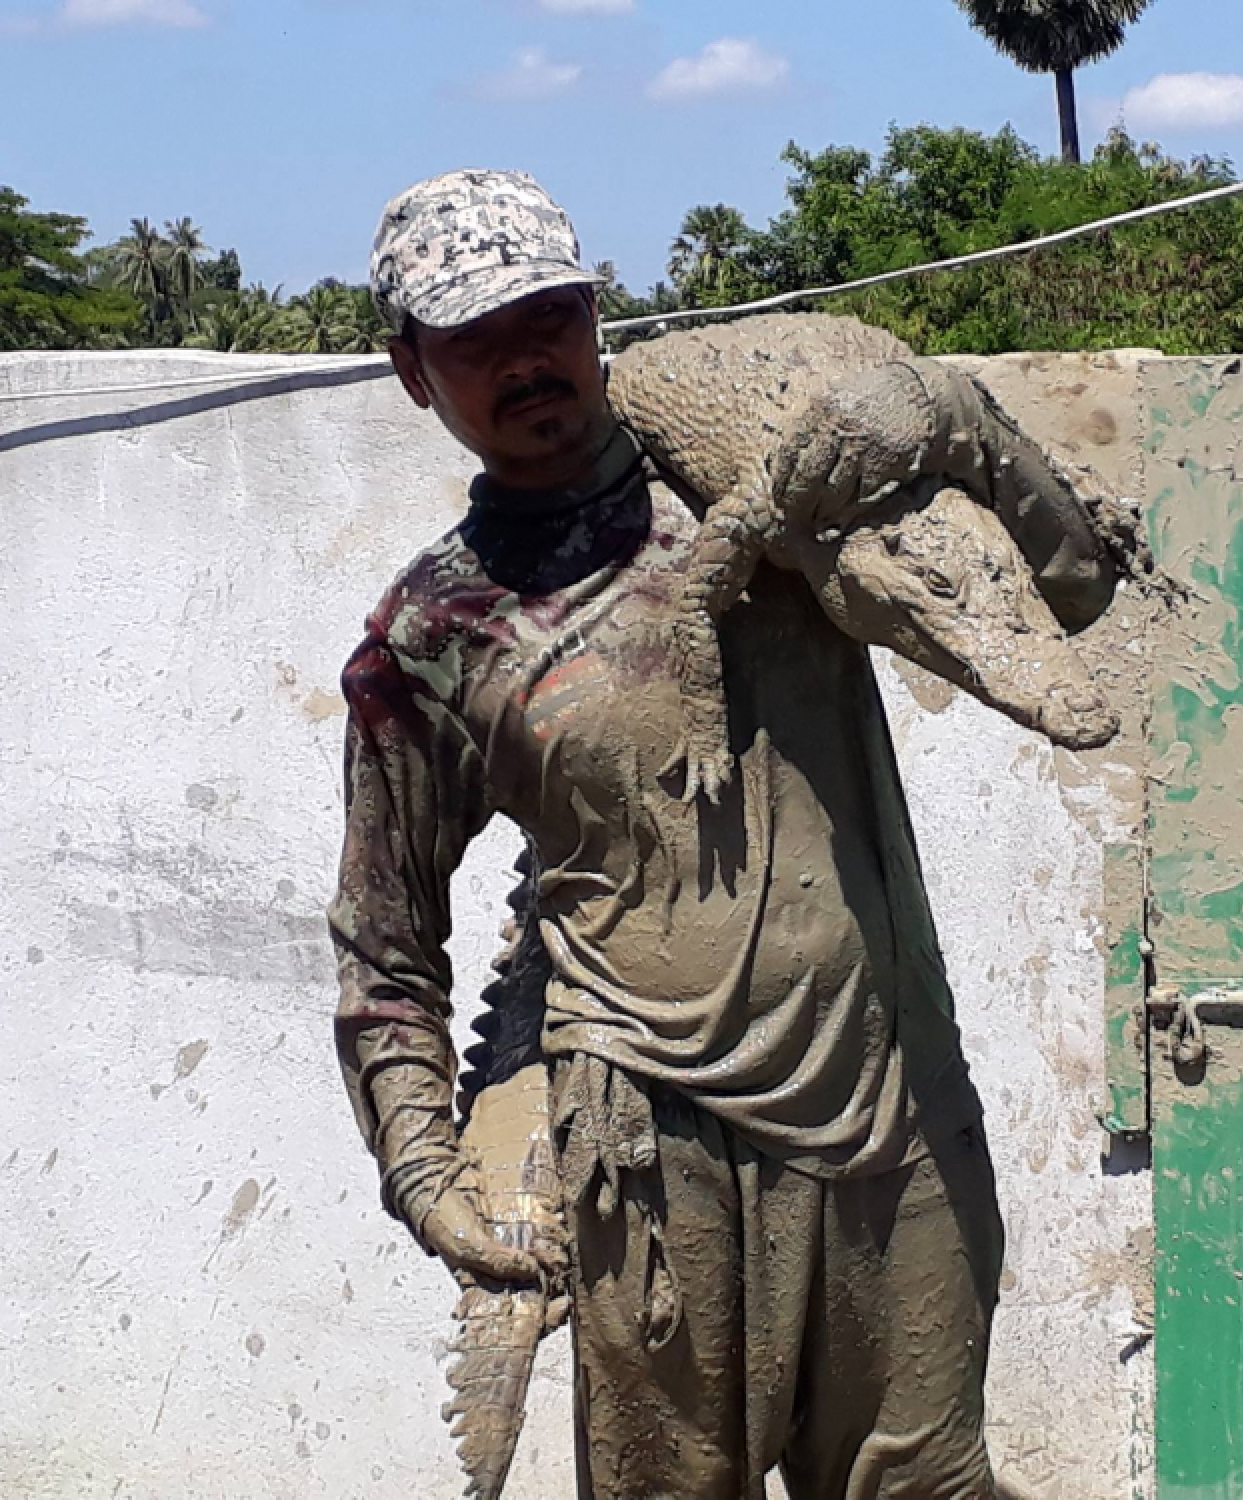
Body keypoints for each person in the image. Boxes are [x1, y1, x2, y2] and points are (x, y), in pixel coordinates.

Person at [328, 167, 1117, 1499]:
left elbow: (1034, 555)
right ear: (412, 369)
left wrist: (973, 446)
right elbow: (383, 943)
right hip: (651, 1159)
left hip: (894, 1112)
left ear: (597, 315)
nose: (525, 363)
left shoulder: (766, 490)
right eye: (475, 340)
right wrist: (426, 1170)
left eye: (549, 319)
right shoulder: (436, 637)